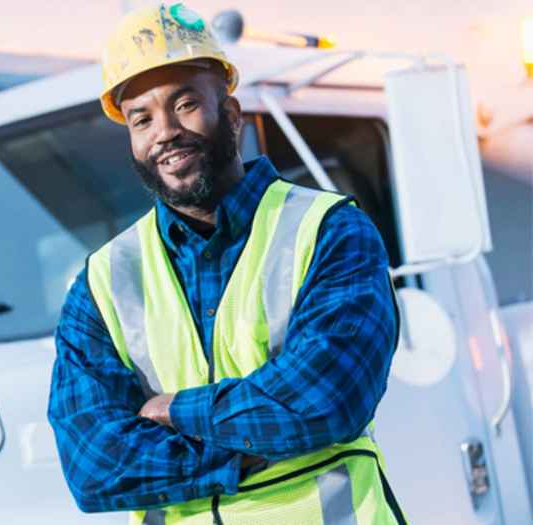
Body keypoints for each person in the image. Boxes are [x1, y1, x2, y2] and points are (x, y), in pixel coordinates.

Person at [46, 3, 406, 524]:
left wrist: (173, 411)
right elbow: (93, 464)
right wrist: (241, 453)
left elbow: (327, 399)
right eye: (141, 118)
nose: (164, 131)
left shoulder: (329, 230)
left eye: (185, 104)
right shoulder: (100, 283)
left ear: (232, 117)